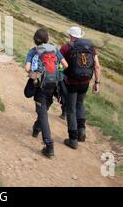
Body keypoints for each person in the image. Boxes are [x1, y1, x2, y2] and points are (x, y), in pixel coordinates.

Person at [25, 29, 68, 157]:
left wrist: (36, 75)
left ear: (35, 39)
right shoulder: (54, 49)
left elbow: (27, 68)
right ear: (47, 39)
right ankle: (36, 128)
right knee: (43, 109)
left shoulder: (34, 51)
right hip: (53, 86)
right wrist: (55, 73)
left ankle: (49, 145)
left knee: (42, 113)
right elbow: (65, 65)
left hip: (40, 87)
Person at [60, 26, 101, 149]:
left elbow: (59, 65)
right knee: (80, 104)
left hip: (71, 82)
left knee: (71, 109)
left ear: (71, 36)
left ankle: (73, 139)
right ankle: (82, 129)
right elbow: (97, 67)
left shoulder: (66, 48)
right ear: (80, 36)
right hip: (85, 82)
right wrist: (97, 83)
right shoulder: (91, 48)